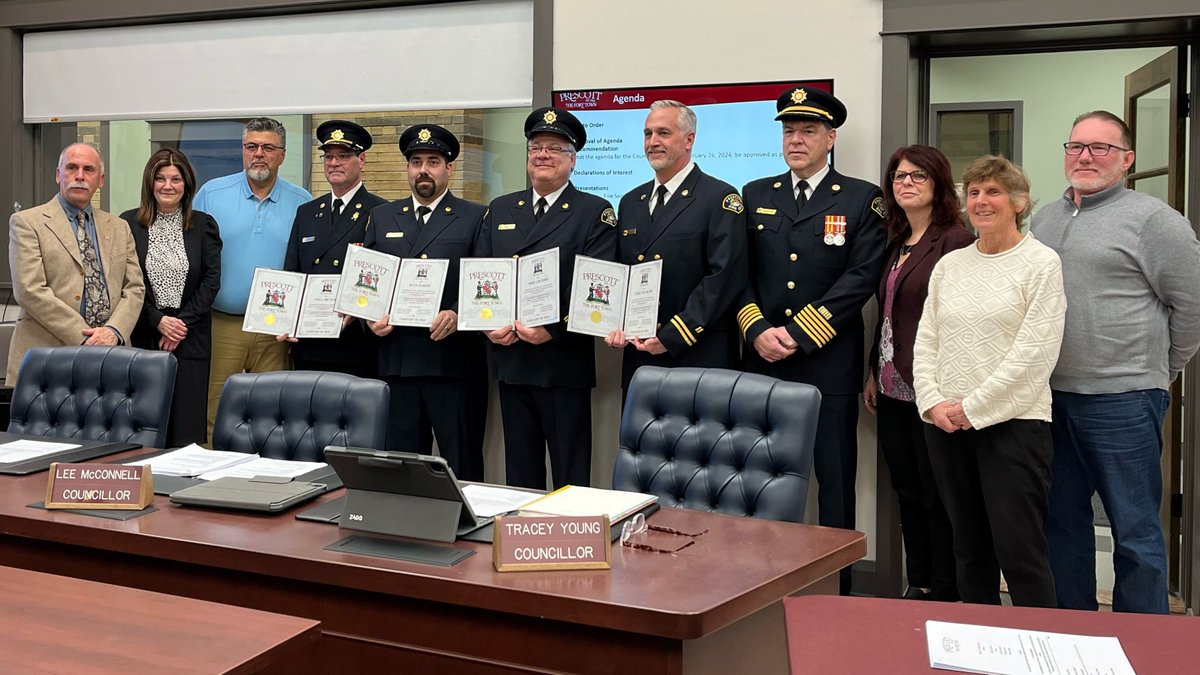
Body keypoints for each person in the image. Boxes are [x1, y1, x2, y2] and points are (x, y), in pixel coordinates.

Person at [1032, 111, 1200, 614]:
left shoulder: (1156, 221)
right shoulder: (1044, 219)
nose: (1085, 156)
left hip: (1124, 401)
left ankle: (1142, 643)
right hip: (1049, 399)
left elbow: (1191, 305)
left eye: (1100, 148)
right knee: (1061, 526)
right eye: (1076, 145)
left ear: (1126, 160)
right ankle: (1073, 632)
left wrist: (1160, 368)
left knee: (1134, 530)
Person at [738, 86, 886, 594]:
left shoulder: (863, 197)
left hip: (828, 365)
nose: (795, 140)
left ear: (831, 138)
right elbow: (742, 275)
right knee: (760, 479)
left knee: (834, 483)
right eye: (788, 130)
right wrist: (757, 329)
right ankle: (759, 579)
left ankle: (836, 588)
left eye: (807, 131)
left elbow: (861, 279)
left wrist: (800, 334)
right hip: (765, 364)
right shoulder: (756, 194)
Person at [913, 155, 1065, 607]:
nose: (981, 200)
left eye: (993, 192)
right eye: (974, 192)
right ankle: (980, 641)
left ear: (1018, 201)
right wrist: (933, 403)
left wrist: (971, 408)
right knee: (968, 548)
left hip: (1014, 427)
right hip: (946, 426)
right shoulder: (951, 265)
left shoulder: (1041, 263)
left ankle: (1041, 646)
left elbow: (1035, 354)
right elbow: (927, 341)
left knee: (1020, 550)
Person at [475, 107, 617, 489]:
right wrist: (487, 324)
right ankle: (523, 545)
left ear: (572, 160)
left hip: (561, 361)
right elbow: (483, 276)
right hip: (510, 357)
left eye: (554, 148)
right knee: (520, 473)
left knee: (570, 473)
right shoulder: (501, 209)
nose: (542, 155)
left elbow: (596, 291)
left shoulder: (594, 212)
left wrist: (551, 330)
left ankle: (572, 545)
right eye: (536, 147)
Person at [864, 145, 973, 602]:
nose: (905, 183)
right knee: (907, 492)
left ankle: (948, 589)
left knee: (939, 496)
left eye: (917, 176)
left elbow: (962, 318)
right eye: (899, 176)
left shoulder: (956, 240)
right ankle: (921, 581)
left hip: (933, 391)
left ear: (938, 184)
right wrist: (873, 370)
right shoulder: (896, 239)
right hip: (891, 388)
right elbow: (888, 312)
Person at [364, 124, 488, 481]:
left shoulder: (475, 217)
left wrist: (458, 313)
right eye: (416, 161)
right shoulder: (383, 217)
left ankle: (466, 534)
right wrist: (368, 319)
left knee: (461, 464)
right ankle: (405, 534)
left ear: (449, 168)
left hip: (453, 365)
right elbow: (367, 281)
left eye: (433, 161)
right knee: (401, 469)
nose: (423, 169)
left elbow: (485, 283)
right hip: (397, 363)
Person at [604, 100, 747, 392]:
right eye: (647, 134)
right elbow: (620, 272)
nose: (653, 142)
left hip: (699, 353)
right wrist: (611, 320)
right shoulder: (631, 201)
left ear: (689, 139)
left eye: (663, 133)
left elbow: (724, 277)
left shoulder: (719, 197)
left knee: (700, 440)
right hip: (640, 354)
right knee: (641, 439)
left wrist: (673, 335)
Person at [193, 117, 311, 442]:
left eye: (268, 148)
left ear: (282, 155)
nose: (259, 154)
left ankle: (266, 481)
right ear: (242, 151)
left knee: (273, 412)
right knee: (215, 412)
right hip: (222, 324)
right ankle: (210, 484)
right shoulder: (211, 194)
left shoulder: (302, 202)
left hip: (275, 329)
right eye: (251, 147)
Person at [7, 143, 144, 385]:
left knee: (106, 423)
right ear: (59, 175)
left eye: (88, 169)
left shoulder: (119, 227)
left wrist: (113, 332)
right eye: (72, 167)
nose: (79, 175)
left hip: (110, 357)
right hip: (47, 356)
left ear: (100, 180)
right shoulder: (27, 223)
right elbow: (29, 290)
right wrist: (86, 337)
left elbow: (134, 288)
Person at [120, 148, 222, 447]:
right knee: (142, 417)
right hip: (144, 334)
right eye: (160, 178)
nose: (168, 185)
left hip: (191, 335)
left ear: (187, 184)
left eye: (176, 179)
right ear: (150, 183)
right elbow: (126, 282)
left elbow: (211, 280)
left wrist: (179, 324)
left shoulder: (204, 224)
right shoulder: (127, 224)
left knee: (187, 423)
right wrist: (158, 321)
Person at [281, 120, 385, 377]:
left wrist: (357, 312)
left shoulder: (381, 212)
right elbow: (293, 272)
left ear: (361, 160)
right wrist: (288, 319)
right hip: (309, 341)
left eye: (343, 156)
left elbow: (382, 279)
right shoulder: (307, 212)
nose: (334, 163)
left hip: (355, 342)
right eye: (328, 157)